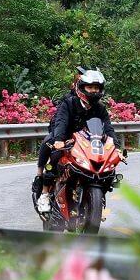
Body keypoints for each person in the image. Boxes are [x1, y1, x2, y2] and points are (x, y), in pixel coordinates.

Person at [32, 68, 120, 214]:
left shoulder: (100, 108)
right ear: (82, 87)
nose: (93, 91)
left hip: (88, 143)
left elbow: (108, 129)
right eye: (90, 87)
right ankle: (44, 192)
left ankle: (97, 197)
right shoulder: (69, 103)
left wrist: (116, 147)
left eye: (96, 88)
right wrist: (59, 140)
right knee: (52, 153)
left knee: (108, 165)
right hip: (66, 139)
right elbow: (61, 122)